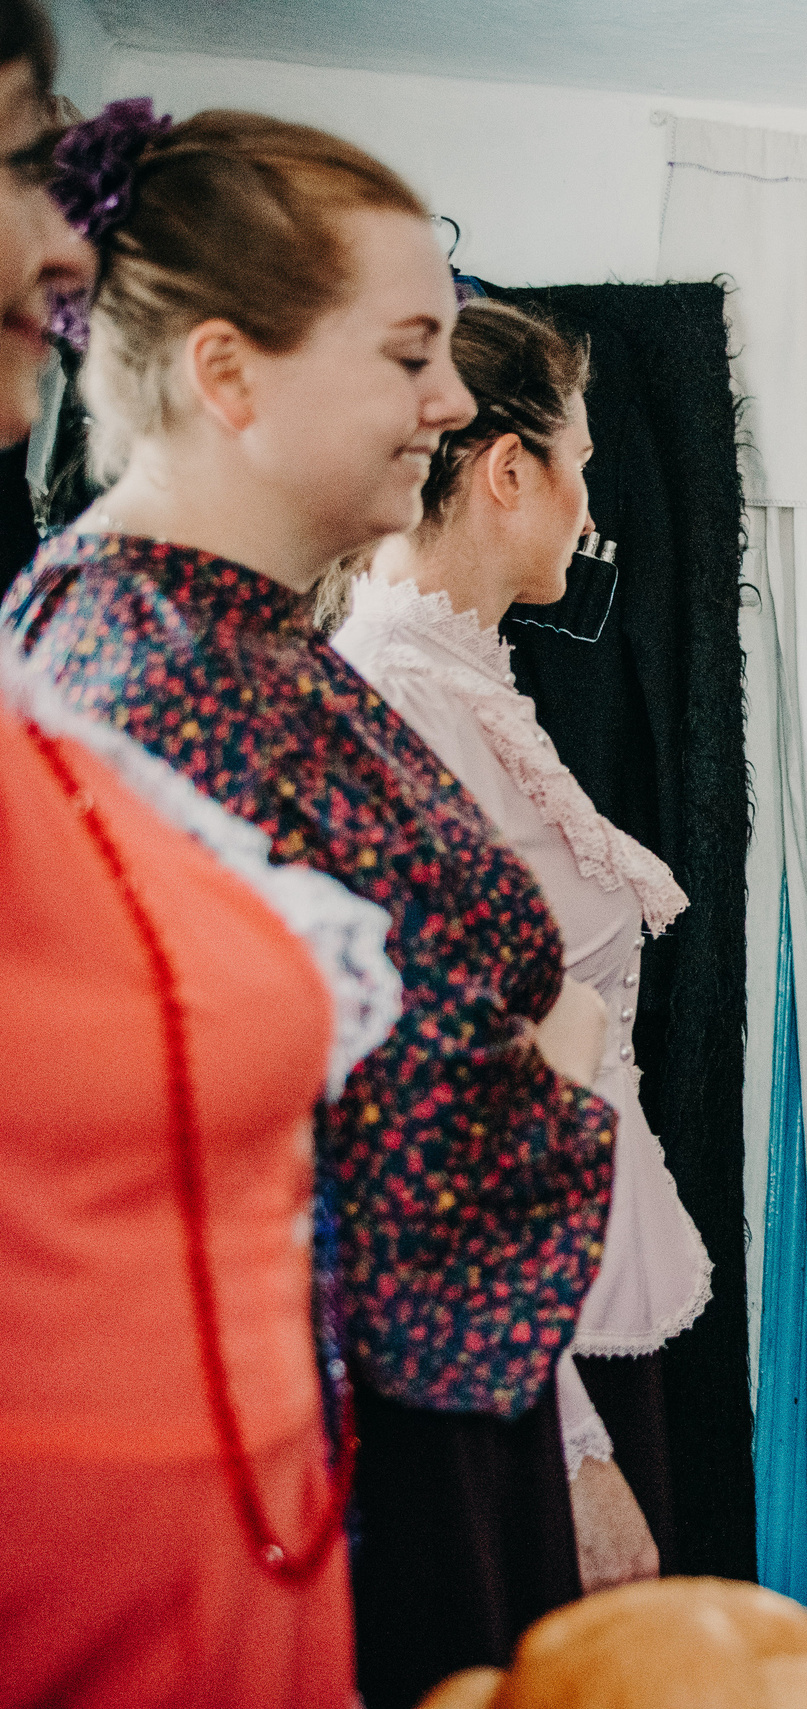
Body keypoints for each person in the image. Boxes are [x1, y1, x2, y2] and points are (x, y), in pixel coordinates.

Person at [3, 106, 618, 1709]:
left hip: (411, 1430)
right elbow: (286, 1151)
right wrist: (549, 1053)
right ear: (228, 375)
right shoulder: (137, 674)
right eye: (410, 353)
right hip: (333, 1460)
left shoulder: (247, 646)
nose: (451, 401)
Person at [0, 17, 402, 1706]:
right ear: (229, 376)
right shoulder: (124, 653)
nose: (60, 249)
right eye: (13, 160)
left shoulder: (216, 667)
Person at [331, 298, 711, 1593]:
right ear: (508, 469)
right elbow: (429, 1115)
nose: (589, 500)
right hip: (511, 1340)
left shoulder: (469, 681)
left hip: (578, 1286)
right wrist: (573, 1443)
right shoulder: (399, 697)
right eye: (579, 462)